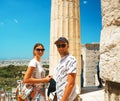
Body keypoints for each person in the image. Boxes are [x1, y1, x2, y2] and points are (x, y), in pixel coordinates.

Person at [54, 37, 77, 101]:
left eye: (63, 45)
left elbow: (71, 84)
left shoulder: (71, 59)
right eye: (58, 46)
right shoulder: (61, 61)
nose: (60, 48)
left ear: (68, 46)